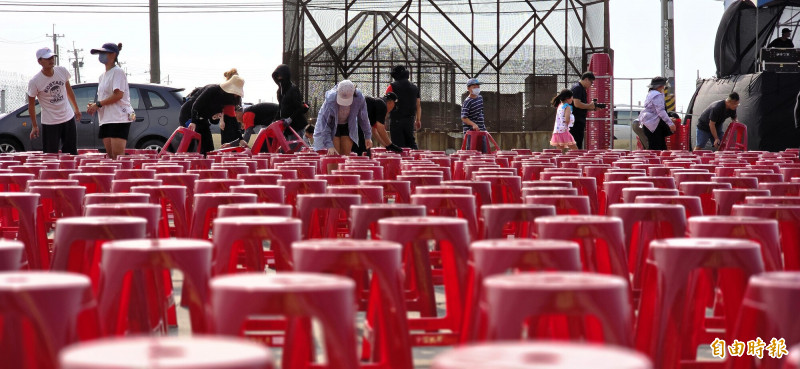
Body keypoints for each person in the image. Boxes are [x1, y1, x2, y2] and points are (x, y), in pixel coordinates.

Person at [27, 47, 80, 155]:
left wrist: (76, 108)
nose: (51, 60)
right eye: (47, 58)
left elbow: (69, 91)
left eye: (52, 57)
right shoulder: (35, 81)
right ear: (40, 61)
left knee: (71, 153)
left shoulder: (62, 71)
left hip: (68, 117)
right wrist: (34, 125)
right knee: (50, 155)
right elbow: (31, 105)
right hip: (50, 122)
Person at [86, 43, 135, 160]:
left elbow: (118, 94)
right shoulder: (102, 77)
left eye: (104, 53)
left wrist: (98, 104)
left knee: (118, 156)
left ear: (113, 54)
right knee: (111, 156)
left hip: (118, 117)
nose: (101, 56)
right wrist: (94, 106)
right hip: (106, 118)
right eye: (100, 53)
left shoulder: (117, 72)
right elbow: (104, 97)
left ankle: (123, 177)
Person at [313, 80, 372, 155]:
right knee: (334, 155)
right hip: (332, 125)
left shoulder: (359, 98)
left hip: (348, 124)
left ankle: (343, 166)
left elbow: (363, 118)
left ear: (353, 93)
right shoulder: (331, 99)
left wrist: (367, 136)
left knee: (345, 156)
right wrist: (329, 145)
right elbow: (325, 124)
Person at [189, 75, 244, 154]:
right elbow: (196, 106)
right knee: (194, 147)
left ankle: (204, 163)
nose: (236, 95)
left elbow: (229, 119)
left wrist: (240, 138)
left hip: (202, 119)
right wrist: (193, 121)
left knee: (208, 150)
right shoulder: (212, 89)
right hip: (190, 114)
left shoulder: (228, 100)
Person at [385, 65, 421, 149]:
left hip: (396, 119)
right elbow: (418, 105)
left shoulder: (392, 86)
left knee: (398, 145)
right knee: (411, 143)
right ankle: (415, 159)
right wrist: (418, 120)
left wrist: (383, 119)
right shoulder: (415, 87)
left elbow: (386, 104)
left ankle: (401, 161)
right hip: (410, 120)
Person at [637, 76, 677, 151]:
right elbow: (661, 111)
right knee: (658, 147)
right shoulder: (657, 95)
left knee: (654, 146)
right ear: (660, 86)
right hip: (654, 125)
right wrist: (670, 123)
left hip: (648, 123)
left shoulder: (650, 94)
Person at [272, 64, 308, 139]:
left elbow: (299, 108)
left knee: (294, 148)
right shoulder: (280, 91)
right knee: (285, 148)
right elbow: (280, 107)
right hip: (286, 127)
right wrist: (275, 120)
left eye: (280, 76)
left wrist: (290, 118)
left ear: (285, 75)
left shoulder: (293, 89)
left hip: (296, 126)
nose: (279, 78)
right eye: (277, 76)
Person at [569, 72, 599, 149]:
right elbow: (577, 104)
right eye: (591, 82)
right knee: (576, 144)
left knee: (578, 143)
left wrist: (593, 108)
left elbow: (581, 106)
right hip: (576, 121)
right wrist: (590, 105)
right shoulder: (578, 88)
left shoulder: (582, 89)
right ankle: (575, 159)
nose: (591, 84)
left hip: (579, 120)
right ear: (586, 79)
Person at [219, 69, 243, 145]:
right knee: (226, 141)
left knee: (236, 140)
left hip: (233, 118)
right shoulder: (225, 90)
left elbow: (238, 107)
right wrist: (221, 120)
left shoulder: (238, 91)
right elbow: (221, 106)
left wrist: (241, 121)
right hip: (226, 118)